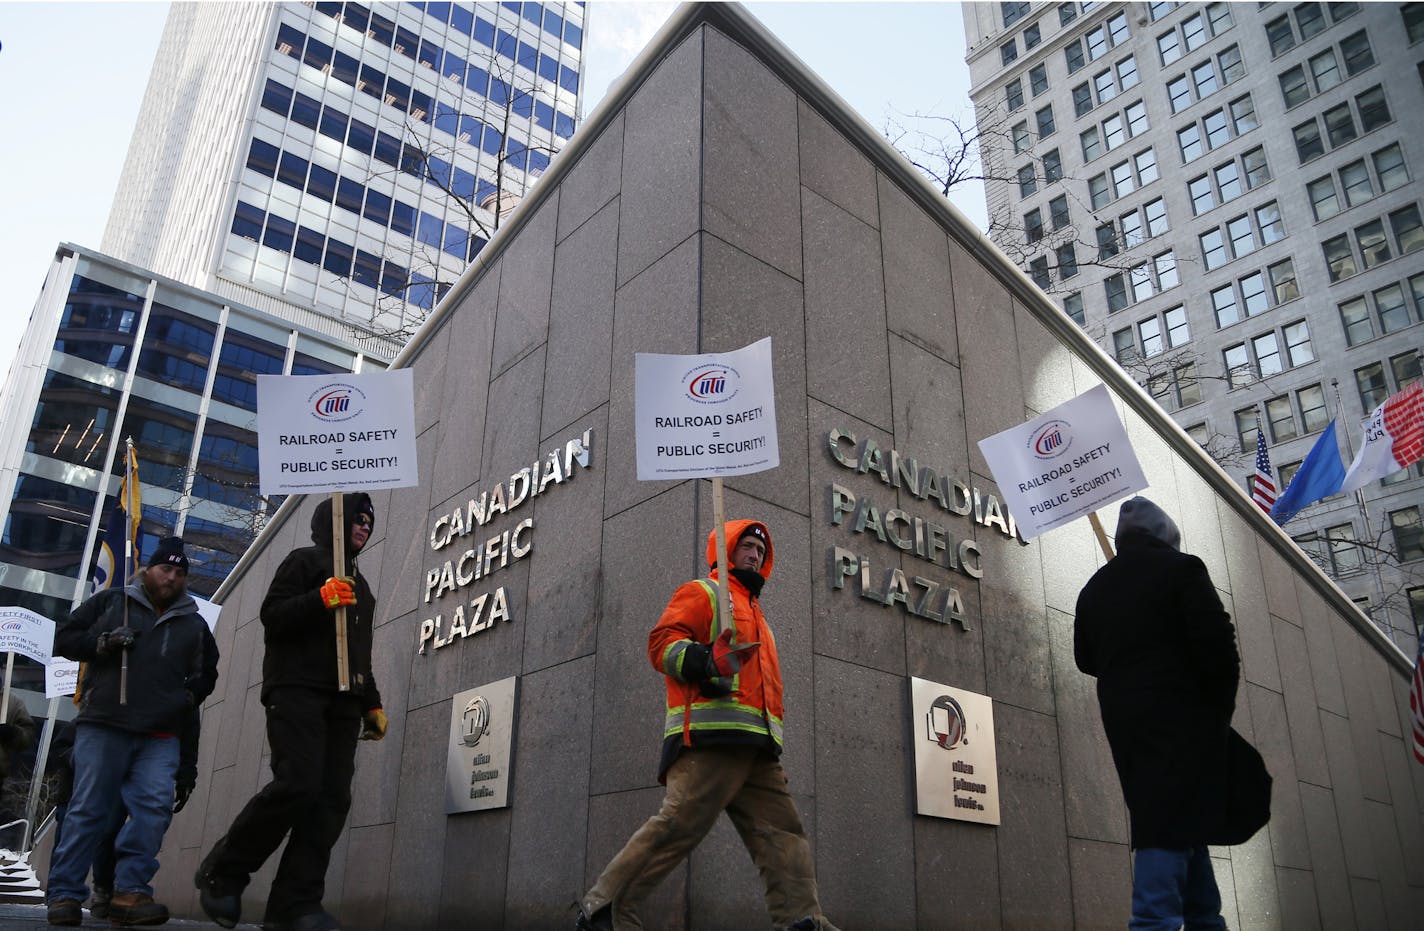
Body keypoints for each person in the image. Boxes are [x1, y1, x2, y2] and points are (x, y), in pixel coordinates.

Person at [576, 520, 839, 931]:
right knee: (679, 825)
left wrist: (770, 747)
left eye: (760, 551)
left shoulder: (758, 616)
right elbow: (661, 645)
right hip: (710, 741)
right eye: (747, 546)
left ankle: (802, 922)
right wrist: (704, 659)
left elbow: (766, 692)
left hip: (757, 751)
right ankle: (605, 911)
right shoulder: (702, 593)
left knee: (784, 835)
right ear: (726, 550)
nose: (755, 555)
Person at [196, 493, 386, 931]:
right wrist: (319, 598)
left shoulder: (363, 588)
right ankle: (223, 872)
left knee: (331, 799)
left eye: (369, 523)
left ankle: (294, 905)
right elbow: (272, 617)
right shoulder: (303, 562)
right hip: (297, 690)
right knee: (298, 783)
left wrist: (371, 702)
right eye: (358, 520)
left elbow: (360, 655)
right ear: (336, 522)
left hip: (344, 702)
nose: (364, 528)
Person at [1075, 497, 1262, 930]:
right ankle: (1153, 921)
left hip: (1126, 725)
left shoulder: (1095, 587)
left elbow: (1085, 659)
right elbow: (1219, 648)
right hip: (1184, 720)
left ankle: (1203, 919)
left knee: (1176, 818)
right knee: (1165, 822)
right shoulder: (1183, 570)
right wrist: (1215, 712)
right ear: (1166, 537)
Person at [45, 536, 220, 927]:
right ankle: (65, 893)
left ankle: (131, 891)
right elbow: (65, 638)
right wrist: (102, 643)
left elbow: (207, 675)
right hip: (105, 724)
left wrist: (187, 699)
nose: (172, 577)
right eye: (165, 569)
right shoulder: (111, 604)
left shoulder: (194, 626)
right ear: (149, 570)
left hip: (160, 736)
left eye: (179, 572)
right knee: (88, 810)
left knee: (153, 811)